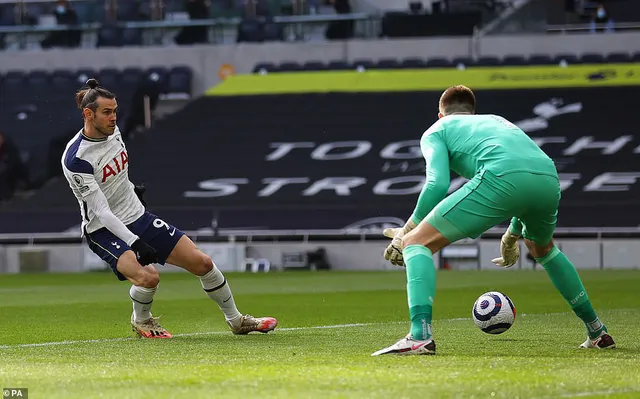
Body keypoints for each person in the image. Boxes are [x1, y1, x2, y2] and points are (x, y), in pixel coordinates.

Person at [373, 85, 615, 356]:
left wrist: (407, 231)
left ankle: (419, 336)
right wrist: (512, 235)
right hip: (548, 177)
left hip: (502, 176)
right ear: (472, 112)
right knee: (543, 250)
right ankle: (597, 331)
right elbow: (523, 170)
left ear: (441, 114)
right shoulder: (498, 121)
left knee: (416, 244)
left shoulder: (437, 130)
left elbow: (437, 183)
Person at [61, 79, 278, 339]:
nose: (113, 118)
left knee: (203, 262)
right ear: (88, 114)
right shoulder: (76, 159)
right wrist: (135, 242)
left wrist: (131, 190)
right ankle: (141, 320)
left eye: (115, 111)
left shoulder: (114, 132)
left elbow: (117, 173)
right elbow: (102, 211)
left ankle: (236, 321)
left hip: (137, 216)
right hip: (104, 230)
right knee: (148, 278)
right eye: (107, 112)